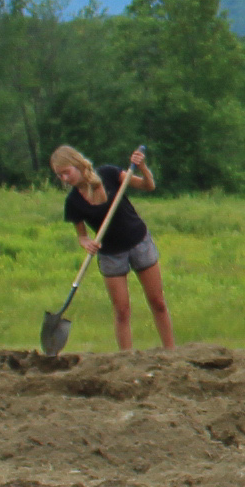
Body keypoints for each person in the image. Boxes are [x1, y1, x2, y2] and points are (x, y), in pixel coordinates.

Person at [50, 142, 170, 351]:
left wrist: (142, 168)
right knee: (122, 311)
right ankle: (126, 359)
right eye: (60, 176)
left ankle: (171, 353)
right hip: (110, 254)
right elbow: (82, 236)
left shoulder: (109, 173)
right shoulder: (73, 202)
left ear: (77, 165)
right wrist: (87, 243)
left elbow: (148, 186)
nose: (65, 179)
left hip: (139, 241)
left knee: (157, 302)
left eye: (66, 172)